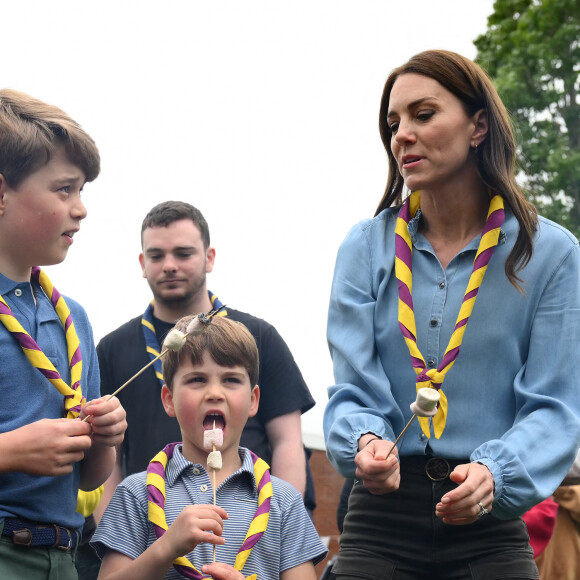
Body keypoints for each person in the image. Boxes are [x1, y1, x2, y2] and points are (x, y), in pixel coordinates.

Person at [323, 49, 580, 579]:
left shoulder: (552, 254)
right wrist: (366, 441)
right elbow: (353, 391)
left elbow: (555, 407)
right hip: (380, 520)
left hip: (488, 521)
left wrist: (495, 473)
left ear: (479, 126)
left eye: (423, 114)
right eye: (393, 123)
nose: (401, 136)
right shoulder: (363, 248)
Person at [0, 89, 127, 579]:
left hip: (65, 558)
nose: (81, 209)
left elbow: (90, 477)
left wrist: (104, 437)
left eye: (83, 192)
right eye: (64, 190)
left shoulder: (72, 319)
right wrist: (10, 451)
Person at [92, 315, 326, 579]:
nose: (215, 392)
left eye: (231, 380)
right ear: (169, 400)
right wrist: (167, 547)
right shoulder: (135, 494)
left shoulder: (284, 502)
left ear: (253, 401)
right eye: (197, 380)